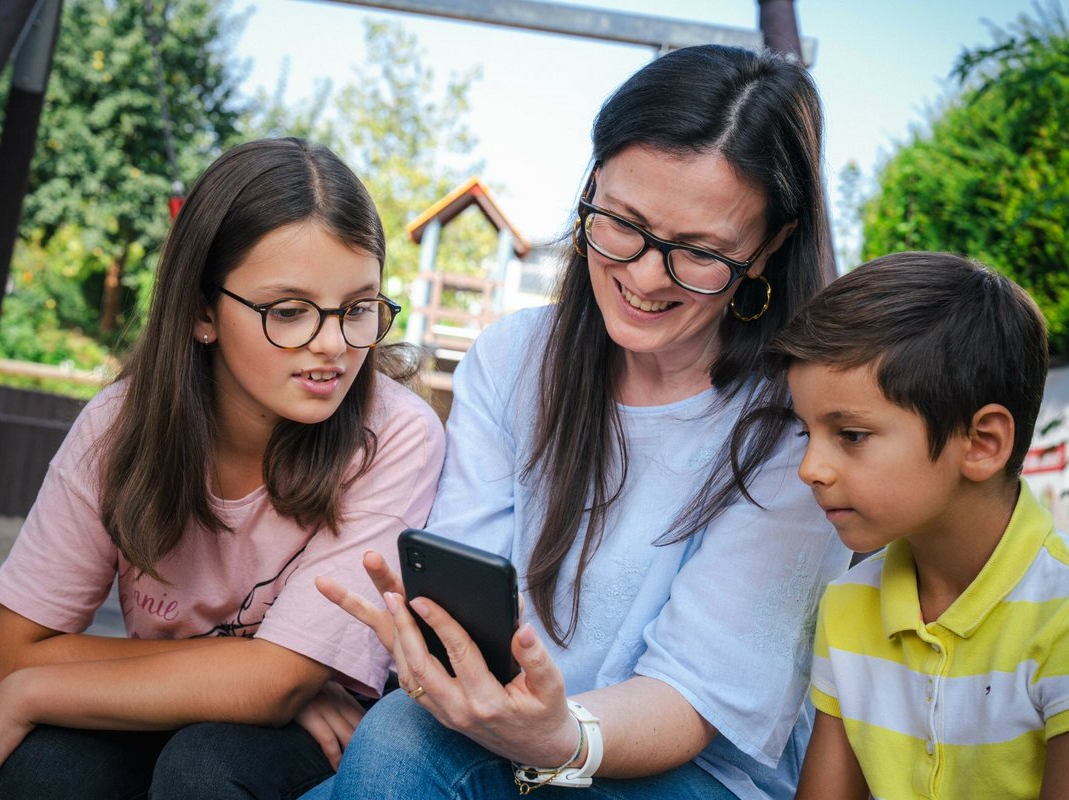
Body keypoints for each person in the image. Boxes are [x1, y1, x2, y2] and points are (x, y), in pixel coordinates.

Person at [305, 44, 850, 800]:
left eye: (698, 253)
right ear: (591, 185)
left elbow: (692, 699)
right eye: (622, 223)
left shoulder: (794, 429)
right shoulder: (514, 358)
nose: (644, 276)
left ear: (768, 251)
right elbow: (471, 605)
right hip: (500, 735)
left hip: (680, 771)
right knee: (394, 735)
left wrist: (559, 735)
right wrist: (432, 654)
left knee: (393, 747)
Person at [0, 138, 446, 800]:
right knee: (37, 771)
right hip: (173, 701)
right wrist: (262, 673)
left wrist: (276, 682)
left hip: (314, 735)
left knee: (203, 766)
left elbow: (275, 684)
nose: (332, 345)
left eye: (357, 309)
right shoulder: (120, 426)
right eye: (288, 311)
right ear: (203, 311)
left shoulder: (393, 433)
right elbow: (11, 654)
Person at [760, 252, 1069, 799]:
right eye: (805, 433)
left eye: (852, 435)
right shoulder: (847, 607)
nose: (810, 469)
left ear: (981, 444)